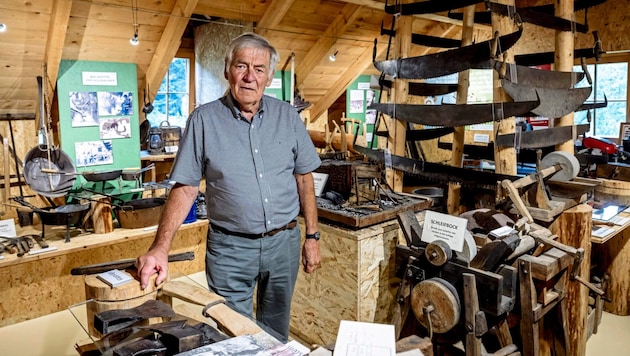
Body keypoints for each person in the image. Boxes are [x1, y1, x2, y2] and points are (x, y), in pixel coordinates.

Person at [135, 32, 322, 341]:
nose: (250, 77)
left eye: (259, 69)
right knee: (235, 336)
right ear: (227, 70)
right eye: (241, 66)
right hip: (230, 250)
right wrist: (161, 247)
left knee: (276, 332)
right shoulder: (203, 120)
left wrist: (312, 237)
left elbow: (304, 178)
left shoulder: (288, 118)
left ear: (269, 76)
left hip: (284, 244)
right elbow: (185, 188)